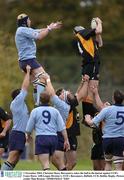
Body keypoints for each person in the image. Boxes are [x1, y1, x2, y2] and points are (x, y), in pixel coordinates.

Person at [44, 73, 89, 170]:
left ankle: (64, 173)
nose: (67, 92)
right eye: (64, 92)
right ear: (60, 97)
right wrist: (86, 82)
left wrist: (82, 83)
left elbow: (77, 95)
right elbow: (79, 96)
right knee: (59, 161)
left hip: (70, 134)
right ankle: (63, 173)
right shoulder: (62, 106)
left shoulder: (69, 103)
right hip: (62, 133)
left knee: (72, 163)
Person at [15, 13, 62, 105]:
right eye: (28, 20)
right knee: (45, 78)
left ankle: (38, 104)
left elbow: (38, 30)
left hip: (24, 61)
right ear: (25, 22)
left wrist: (51, 27)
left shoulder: (23, 30)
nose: (30, 21)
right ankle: (42, 102)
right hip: (29, 60)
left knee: (37, 84)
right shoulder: (22, 30)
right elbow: (39, 36)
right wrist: (48, 29)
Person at [25, 91, 70, 170]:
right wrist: (66, 140)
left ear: (40, 100)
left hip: (42, 138)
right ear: (49, 100)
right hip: (54, 138)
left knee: (46, 164)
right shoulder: (55, 111)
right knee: (60, 164)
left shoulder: (35, 111)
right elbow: (62, 127)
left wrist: (28, 136)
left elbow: (28, 128)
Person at [85, 89, 124, 170]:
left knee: (108, 163)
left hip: (107, 139)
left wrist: (87, 118)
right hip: (120, 139)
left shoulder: (107, 110)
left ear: (113, 98)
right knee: (119, 167)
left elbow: (92, 123)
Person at [1, 65, 31, 170]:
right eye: (21, 94)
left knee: (16, 159)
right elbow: (25, 87)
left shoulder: (22, 105)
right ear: (17, 96)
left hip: (21, 133)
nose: (24, 95)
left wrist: (27, 133)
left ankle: (7, 175)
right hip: (17, 133)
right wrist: (27, 72)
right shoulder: (17, 102)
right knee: (12, 158)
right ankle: (2, 175)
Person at [74, 17, 103, 109]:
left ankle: (72, 105)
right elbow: (98, 31)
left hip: (87, 64)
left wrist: (97, 32)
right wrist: (99, 23)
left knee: (85, 89)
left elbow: (100, 43)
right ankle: (87, 114)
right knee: (92, 89)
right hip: (92, 63)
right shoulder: (82, 33)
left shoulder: (87, 40)